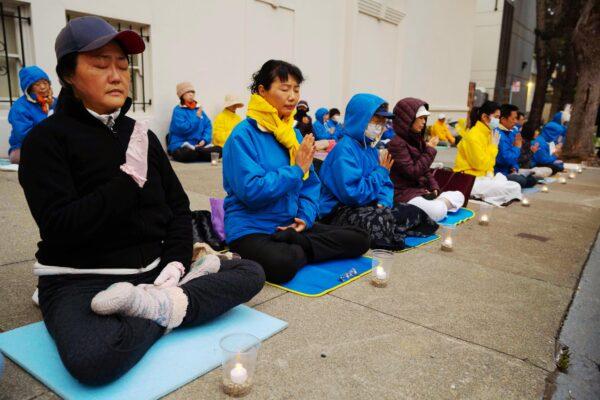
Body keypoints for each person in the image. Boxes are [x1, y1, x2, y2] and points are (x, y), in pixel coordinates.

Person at [18, 16, 264, 385]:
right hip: (82, 279)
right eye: (100, 64)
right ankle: (173, 307)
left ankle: (160, 303)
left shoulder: (140, 136)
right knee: (93, 360)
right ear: (68, 75)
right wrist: (126, 181)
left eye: (122, 65)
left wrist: (175, 263)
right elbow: (61, 228)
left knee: (252, 272)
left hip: (154, 271)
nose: (116, 74)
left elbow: (178, 208)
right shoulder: (45, 141)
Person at [223, 60, 369, 284]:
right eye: (284, 89)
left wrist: (303, 218)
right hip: (252, 228)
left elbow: (311, 186)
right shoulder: (242, 135)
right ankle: (298, 247)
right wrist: (295, 170)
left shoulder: (293, 135)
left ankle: (297, 242)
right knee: (283, 263)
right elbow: (252, 192)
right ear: (262, 91)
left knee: (360, 239)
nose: (292, 96)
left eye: (296, 89)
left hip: (290, 225)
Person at [318, 94, 438, 251]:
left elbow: (387, 184)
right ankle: (386, 229)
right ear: (360, 119)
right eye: (376, 120)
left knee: (411, 211)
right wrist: (380, 173)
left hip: (367, 205)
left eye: (383, 121)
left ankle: (386, 227)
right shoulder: (344, 150)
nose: (381, 126)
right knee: (379, 221)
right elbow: (353, 194)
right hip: (338, 210)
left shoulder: (371, 149)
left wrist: (383, 202)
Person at [387, 98, 464, 221]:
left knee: (459, 195)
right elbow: (413, 172)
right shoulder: (396, 144)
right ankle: (436, 206)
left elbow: (425, 170)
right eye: (421, 118)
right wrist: (430, 150)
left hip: (419, 191)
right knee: (437, 211)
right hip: (403, 193)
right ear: (408, 119)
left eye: (425, 118)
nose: (424, 122)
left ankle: (434, 205)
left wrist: (434, 187)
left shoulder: (417, 140)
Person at [454, 101, 521, 206]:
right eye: (496, 117)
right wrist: (493, 147)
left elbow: (490, 164)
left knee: (514, 185)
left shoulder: (489, 134)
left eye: (499, 118)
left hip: (483, 177)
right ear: (485, 117)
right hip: (469, 178)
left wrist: (490, 174)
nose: (498, 121)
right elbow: (480, 164)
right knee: (510, 187)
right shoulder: (473, 136)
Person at [7, 66, 56, 164]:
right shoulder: (20, 107)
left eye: (45, 83)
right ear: (29, 87)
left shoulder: (54, 102)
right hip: (23, 147)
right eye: (37, 84)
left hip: (52, 144)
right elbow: (24, 135)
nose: (42, 87)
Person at [167, 82, 218, 162]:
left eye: (192, 92)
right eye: (188, 92)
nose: (191, 94)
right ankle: (200, 153)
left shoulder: (198, 109)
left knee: (218, 150)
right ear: (182, 95)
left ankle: (199, 152)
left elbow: (208, 126)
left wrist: (204, 140)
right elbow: (183, 129)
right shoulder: (178, 110)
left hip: (198, 145)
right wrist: (196, 117)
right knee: (186, 153)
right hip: (181, 144)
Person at [494, 104, 537, 188]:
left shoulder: (511, 132)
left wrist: (515, 167)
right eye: (513, 119)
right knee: (522, 181)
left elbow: (515, 158)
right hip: (499, 172)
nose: (516, 122)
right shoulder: (498, 134)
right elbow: (505, 159)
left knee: (532, 179)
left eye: (516, 119)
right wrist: (517, 147)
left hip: (509, 170)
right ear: (503, 120)